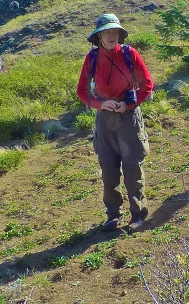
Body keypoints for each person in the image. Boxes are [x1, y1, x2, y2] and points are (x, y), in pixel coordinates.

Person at [76, 14, 154, 232]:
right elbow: (82, 91)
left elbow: (147, 84)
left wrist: (128, 105)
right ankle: (113, 215)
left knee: (132, 167)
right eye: (107, 32)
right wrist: (101, 105)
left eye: (115, 32)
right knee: (108, 168)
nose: (112, 35)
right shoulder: (91, 59)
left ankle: (138, 215)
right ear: (99, 36)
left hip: (129, 119)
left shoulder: (130, 54)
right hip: (105, 121)